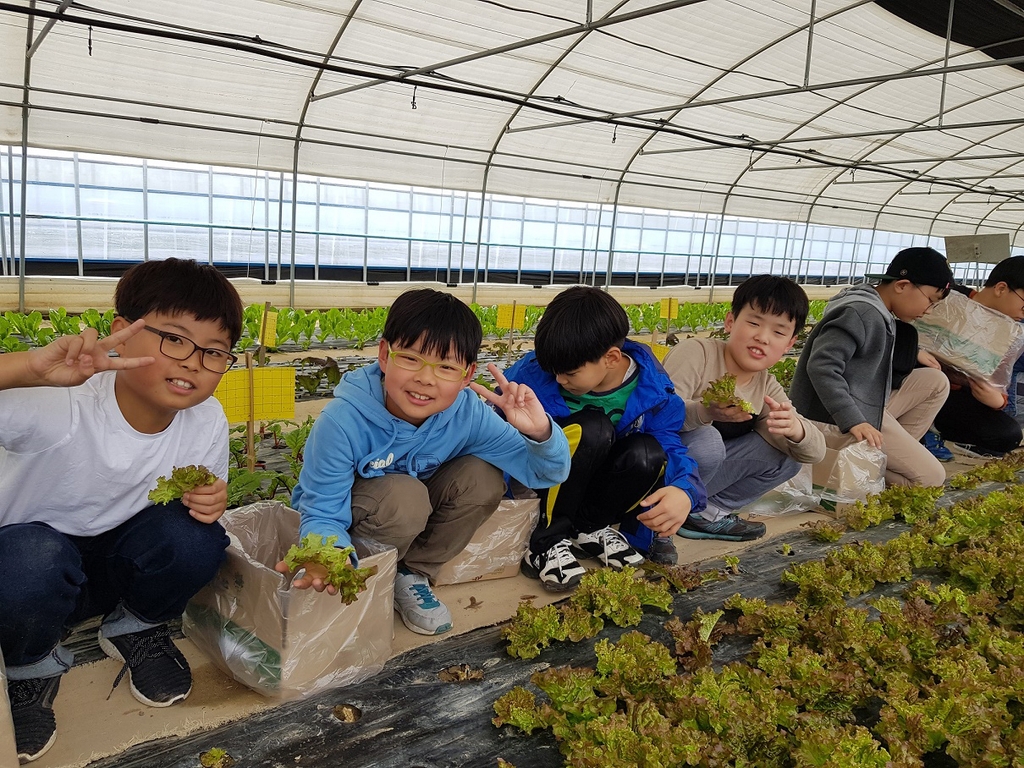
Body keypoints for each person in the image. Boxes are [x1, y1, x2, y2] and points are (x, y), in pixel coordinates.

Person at [0, 258, 243, 764]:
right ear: (121, 334)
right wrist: (26, 368)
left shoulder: (206, 418)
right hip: (26, 576)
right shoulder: (59, 401)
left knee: (199, 536)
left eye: (215, 352)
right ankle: (30, 665)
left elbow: (197, 506)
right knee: (30, 559)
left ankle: (136, 626)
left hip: (115, 567)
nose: (193, 362)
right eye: (174, 339)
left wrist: (209, 500)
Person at [283, 289, 570, 635]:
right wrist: (328, 556)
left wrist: (539, 433)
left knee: (483, 477)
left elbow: (546, 472)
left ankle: (411, 573)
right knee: (404, 497)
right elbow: (322, 511)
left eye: (446, 367)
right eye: (411, 358)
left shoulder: (468, 414)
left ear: (467, 376)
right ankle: (364, 575)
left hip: (407, 514)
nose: (426, 378)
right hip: (353, 521)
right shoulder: (344, 420)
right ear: (384, 356)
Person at [504, 286, 706, 591]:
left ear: (611, 358)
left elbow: (669, 444)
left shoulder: (652, 392)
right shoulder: (533, 373)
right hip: (542, 483)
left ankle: (588, 529)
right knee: (593, 429)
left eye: (570, 373)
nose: (559, 380)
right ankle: (546, 541)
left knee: (648, 452)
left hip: (591, 488)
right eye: (554, 371)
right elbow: (498, 429)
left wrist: (685, 490)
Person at [662, 275, 826, 541]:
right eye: (753, 322)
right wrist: (705, 412)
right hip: (662, 470)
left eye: (778, 332)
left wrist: (797, 430)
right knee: (708, 440)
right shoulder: (697, 353)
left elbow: (815, 452)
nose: (762, 337)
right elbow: (658, 418)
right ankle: (658, 511)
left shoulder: (766, 386)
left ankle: (706, 515)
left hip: (697, 479)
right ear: (730, 322)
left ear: (789, 344)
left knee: (789, 454)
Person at [790, 247, 953, 488]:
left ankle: (879, 455)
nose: (928, 310)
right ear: (902, 285)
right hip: (833, 419)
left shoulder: (876, 308)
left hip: (864, 404)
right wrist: (853, 420)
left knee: (935, 382)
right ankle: (864, 469)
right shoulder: (861, 312)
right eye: (930, 300)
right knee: (931, 479)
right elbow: (822, 366)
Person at [930, 256, 1024, 457]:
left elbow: (1001, 383)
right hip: (923, 384)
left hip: (958, 398)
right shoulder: (950, 299)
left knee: (1009, 434)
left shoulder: (1010, 333)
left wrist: (996, 400)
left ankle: (939, 432)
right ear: (1001, 289)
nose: (1023, 315)